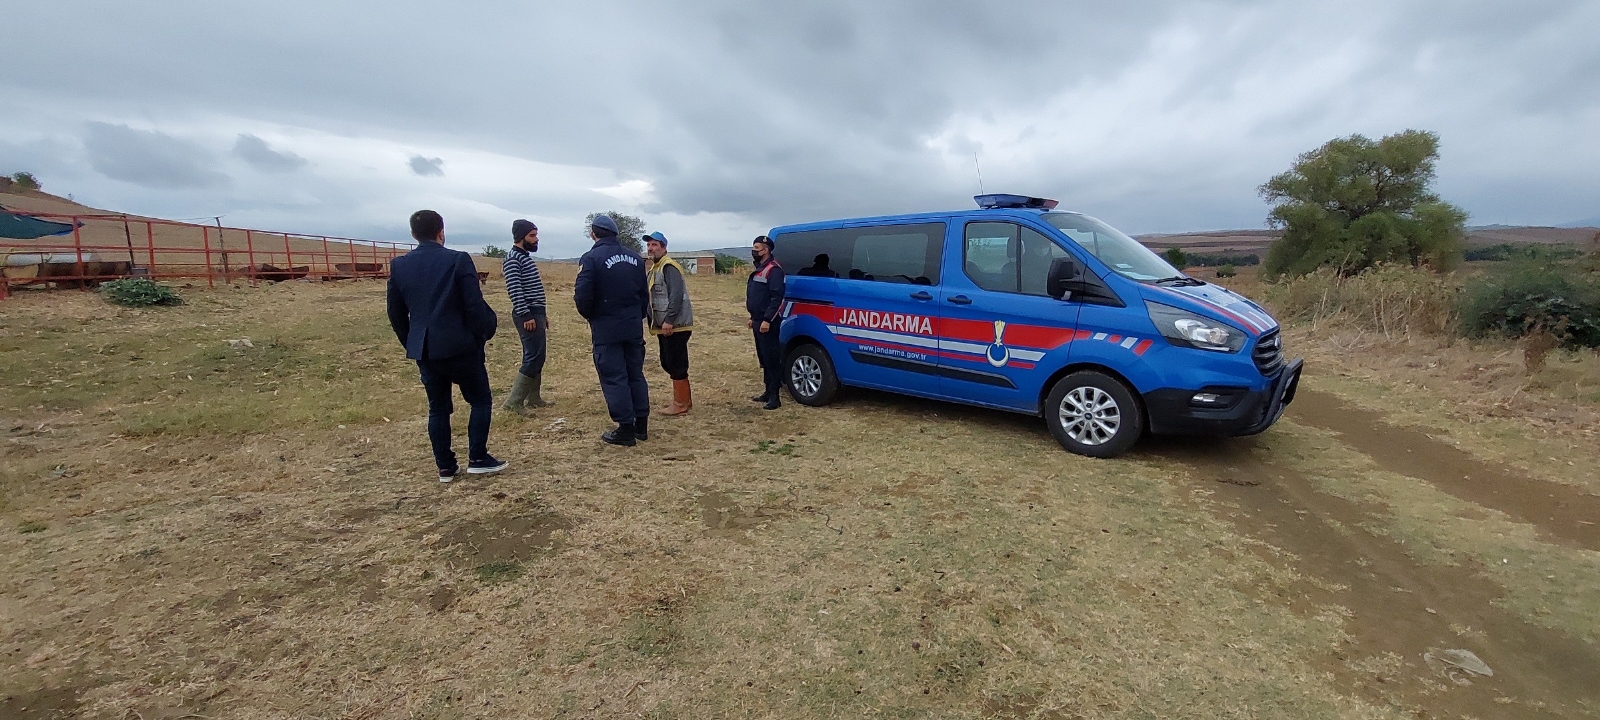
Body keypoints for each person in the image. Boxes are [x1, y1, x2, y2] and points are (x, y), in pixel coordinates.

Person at [386, 210, 508, 482]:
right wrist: (484, 333)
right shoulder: (457, 260)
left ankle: (445, 466)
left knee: (438, 408)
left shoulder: (399, 266)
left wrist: (411, 341)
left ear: (413, 234)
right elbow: (473, 304)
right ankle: (477, 457)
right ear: (441, 231)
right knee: (480, 399)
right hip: (461, 345)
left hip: (425, 349)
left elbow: (395, 313)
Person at [574, 214, 651, 446]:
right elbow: (643, 295)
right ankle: (641, 424)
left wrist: (593, 316)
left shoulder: (591, 258)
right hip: (632, 325)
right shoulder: (636, 258)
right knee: (635, 373)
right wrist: (635, 316)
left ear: (593, 234)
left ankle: (625, 428)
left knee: (614, 376)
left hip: (606, 328)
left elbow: (583, 296)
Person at [501, 219, 551, 413]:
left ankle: (534, 397)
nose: (536, 239)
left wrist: (542, 314)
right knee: (533, 357)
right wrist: (526, 315)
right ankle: (514, 402)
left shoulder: (524, 257)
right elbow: (515, 289)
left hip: (535, 313)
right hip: (527, 314)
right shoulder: (514, 258)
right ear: (521, 237)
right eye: (532, 235)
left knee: (538, 355)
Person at [643, 231, 695, 416]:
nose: (650, 248)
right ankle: (684, 401)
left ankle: (680, 404)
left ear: (664, 247)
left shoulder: (669, 267)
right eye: (649, 245)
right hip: (665, 325)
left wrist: (669, 320)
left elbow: (676, 296)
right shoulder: (655, 268)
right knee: (670, 362)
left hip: (675, 325)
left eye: (655, 245)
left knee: (675, 362)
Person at [746, 235, 786, 410]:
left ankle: (775, 397)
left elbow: (776, 298)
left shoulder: (773, 270)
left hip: (767, 322)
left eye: (757, 248)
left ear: (766, 249)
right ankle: (767, 391)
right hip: (757, 320)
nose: (754, 251)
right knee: (763, 358)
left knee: (771, 358)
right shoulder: (760, 268)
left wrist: (767, 319)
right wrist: (753, 317)